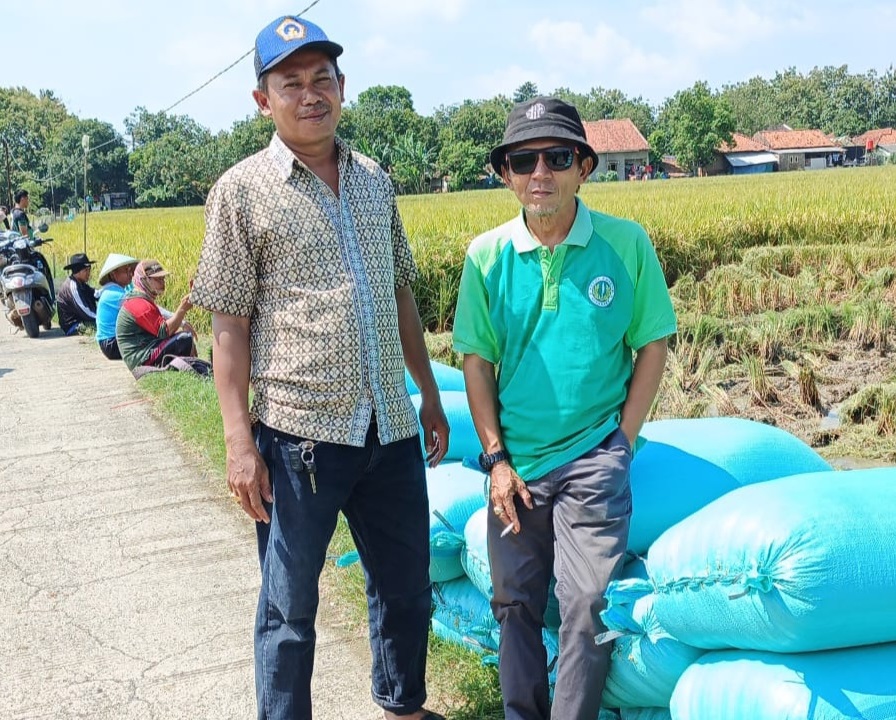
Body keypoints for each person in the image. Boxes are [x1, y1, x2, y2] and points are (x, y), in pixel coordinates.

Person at [190, 15, 450, 720]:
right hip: (299, 434)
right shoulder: (241, 191)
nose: (310, 94)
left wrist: (427, 392)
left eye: (322, 79)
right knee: (289, 605)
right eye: (291, 83)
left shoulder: (374, 180)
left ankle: (402, 705)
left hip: (389, 424)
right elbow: (228, 326)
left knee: (405, 587)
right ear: (263, 100)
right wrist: (238, 441)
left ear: (342, 86)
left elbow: (399, 291)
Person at [452, 97, 677, 720]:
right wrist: (496, 460)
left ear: (584, 167)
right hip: (515, 466)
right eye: (524, 161)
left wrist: (622, 441)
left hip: (593, 455)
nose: (540, 173)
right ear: (505, 175)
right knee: (514, 603)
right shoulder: (486, 256)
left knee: (587, 604)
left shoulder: (624, 244)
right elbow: (477, 363)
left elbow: (653, 341)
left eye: (556, 157)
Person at [115, 259, 196, 374]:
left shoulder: (141, 300)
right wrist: (182, 309)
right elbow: (164, 331)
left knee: (184, 338)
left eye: (163, 278)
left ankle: (193, 369)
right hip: (141, 359)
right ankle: (192, 371)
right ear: (144, 280)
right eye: (158, 279)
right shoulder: (139, 303)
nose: (162, 282)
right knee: (184, 338)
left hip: (144, 352)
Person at [95, 253, 138, 360]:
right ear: (114, 274)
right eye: (126, 270)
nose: (130, 274)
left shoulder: (116, 290)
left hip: (110, 342)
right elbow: (142, 306)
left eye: (130, 270)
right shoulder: (114, 295)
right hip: (111, 343)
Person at [56, 253, 98, 335]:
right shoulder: (72, 287)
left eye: (89, 270)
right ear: (78, 271)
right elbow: (84, 310)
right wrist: (101, 318)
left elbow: (95, 293)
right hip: (73, 325)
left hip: (82, 320)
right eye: (86, 270)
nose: (89, 273)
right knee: (106, 326)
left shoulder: (81, 283)